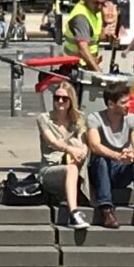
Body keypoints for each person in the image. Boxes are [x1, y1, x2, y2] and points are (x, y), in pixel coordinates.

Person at [85, 92, 134, 228]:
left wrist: (131, 154)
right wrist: (116, 155)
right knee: (101, 160)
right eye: (123, 103)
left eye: (128, 101)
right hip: (99, 171)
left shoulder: (132, 120)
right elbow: (95, 146)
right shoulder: (95, 118)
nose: (128, 105)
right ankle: (106, 209)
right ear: (111, 104)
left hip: (120, 170)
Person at [37, 81, 91, 228]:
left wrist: (83, 149)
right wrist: (71, 150)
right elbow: (53, 142)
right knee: (72, 163)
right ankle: (73, 213)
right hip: (50, 168)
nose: (60, 101)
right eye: (57, 98)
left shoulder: (79, 118)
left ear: (71, 100)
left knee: (77, 146)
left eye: (64, 98)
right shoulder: (44, 118)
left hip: (72, 163)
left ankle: (74, 196)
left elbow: (83, 142)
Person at [64, 0, 113, 73]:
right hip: (75, 66)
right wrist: (98, 71)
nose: (100, 7)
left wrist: (108, 37)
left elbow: (96, 36)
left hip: (87, 65)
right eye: (96, 3)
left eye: (102, 3)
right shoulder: (81, 17)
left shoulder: (95, 11)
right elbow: (83, 50)